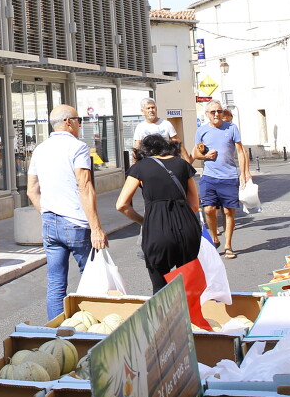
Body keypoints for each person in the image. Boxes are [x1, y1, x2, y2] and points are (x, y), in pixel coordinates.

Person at [27, 105, 108, 319]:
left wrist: (46, 212)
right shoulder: (78, 147)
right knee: (92, 279)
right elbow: (85, 187)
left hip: (50, 222)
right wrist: (96, 228)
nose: (80, 124)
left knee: (55, 283)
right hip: (76, 223)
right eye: (78, 119)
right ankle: (90, 329)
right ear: (68, 122)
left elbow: (31, 191)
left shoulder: (40, 149)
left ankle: (56, 332)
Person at [116, 133, 202, 292]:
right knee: (187, 288)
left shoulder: (140, 167)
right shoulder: (182, 165)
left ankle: (165, 317)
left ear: (144, 150)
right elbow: (195, 205)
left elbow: (121, 205)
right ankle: (188, 316)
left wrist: (144, 221)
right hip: (186, 228)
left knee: (160, 288)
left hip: (156, 229)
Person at [192, 101, 250, 259]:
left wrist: (244, 173)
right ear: (207, 114)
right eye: (213, 112)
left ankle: (228, 245)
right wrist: (205, 156)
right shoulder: (201, 131)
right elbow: (195, 154)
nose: (216, 114)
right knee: (209, 209)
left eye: (219, 111)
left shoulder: (231, 128)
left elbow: (240, 151)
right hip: (209, 176)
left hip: (229, 176)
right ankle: (215, 238)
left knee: (228, 211)